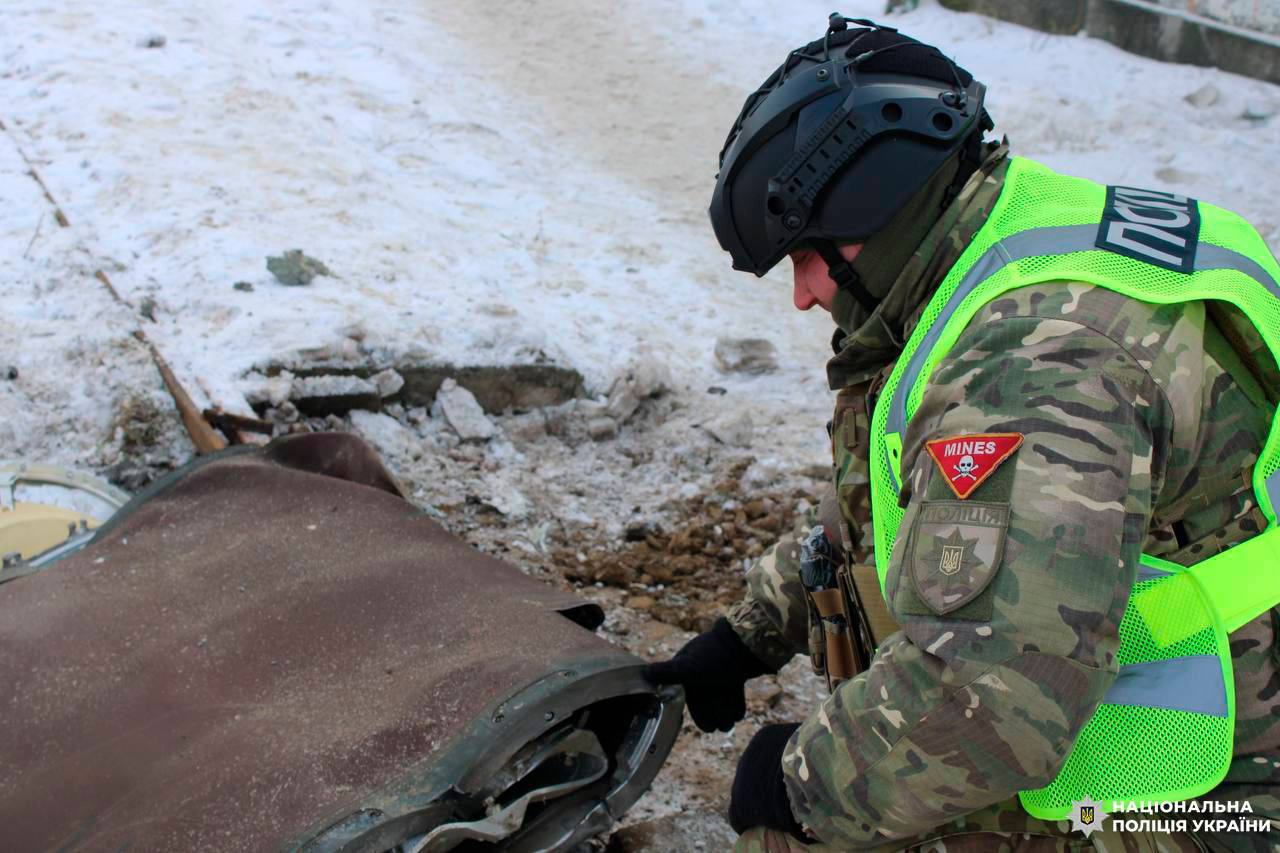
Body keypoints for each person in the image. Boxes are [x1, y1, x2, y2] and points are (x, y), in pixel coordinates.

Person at [646, 14, 1280, 851]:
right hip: (1201, 697)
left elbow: (996, 699)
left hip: (1211, 793)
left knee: (819, 825)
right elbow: (919, 513)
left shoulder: (1028, 367)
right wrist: (747, 635)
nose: (802, 294)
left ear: (871, 200)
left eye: (803, 253)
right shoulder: (1023, 234)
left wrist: (794, 781)